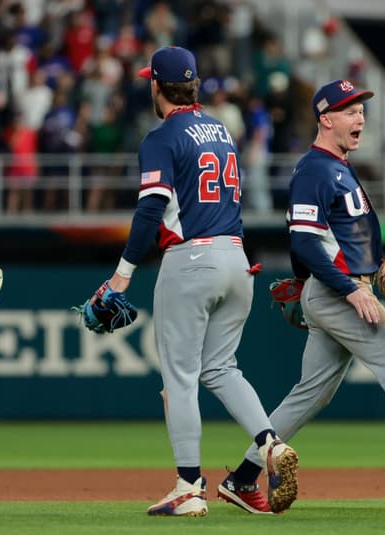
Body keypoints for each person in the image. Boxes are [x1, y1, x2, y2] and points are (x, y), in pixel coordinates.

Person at [218, 79, 385, 515]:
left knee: (310, 394)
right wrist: (344, 289)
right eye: (349, 111)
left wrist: (322, 284)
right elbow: (302, 242)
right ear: (325, 119)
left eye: (361, 110)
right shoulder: (314, 169)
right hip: (341, 292)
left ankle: (242, 479)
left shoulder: (337, 165)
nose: (360, 117)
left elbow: (321, 239)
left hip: (335, 289)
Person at [92, 45, 298, 517]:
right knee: (222, 369)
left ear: (155, 86)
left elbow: (149, 210)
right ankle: (268, 443)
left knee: (180, 378)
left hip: (191, 259)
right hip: (237, 259)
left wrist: (121, 276)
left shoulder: (161, 136)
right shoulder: (222, 130)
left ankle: (188, 487)